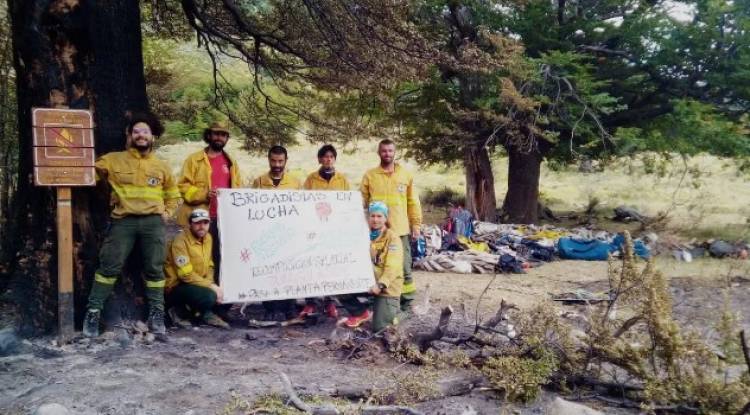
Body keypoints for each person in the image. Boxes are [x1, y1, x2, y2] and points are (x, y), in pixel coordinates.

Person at [83, 112, 181, 338]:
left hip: (153, 223)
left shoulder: (161, 166)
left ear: (152, 136)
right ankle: (93, 312)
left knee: (155, 269)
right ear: (129, 135)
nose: (141, 135)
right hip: (123, 222)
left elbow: (174, 196)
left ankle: (157, 315)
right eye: (136, 131)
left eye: (145, 131)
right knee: (108, 267)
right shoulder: (112, 159)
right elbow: (87, 174)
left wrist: (166, 214)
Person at [176, 121, 243, 282]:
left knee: (220, 259)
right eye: (216, 133)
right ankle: (199, 297)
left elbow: (238, 189)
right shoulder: (194, 160)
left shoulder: (231, 162)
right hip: (199, 220)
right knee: (198, 259)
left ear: (227, 138)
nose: (219, 137)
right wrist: (205, 194)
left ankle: (219, 296)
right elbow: (183, 187)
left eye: (223, 134)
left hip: (223, 221)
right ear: (209, 135)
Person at [360, 139, 422, 312]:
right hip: (377, 232)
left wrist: (416, 224)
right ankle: (379, 301)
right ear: (379, 153)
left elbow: (413, 202)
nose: (387, 154)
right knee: (377, 266)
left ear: (395, 152)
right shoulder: (370, 175)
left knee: (404, 267)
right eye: (384, 151)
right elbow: (360, 202)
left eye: (390, 151)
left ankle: (407, 302)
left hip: (400, 229)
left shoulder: (406, 175)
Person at [299, 144, 351, 319]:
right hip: (314, 229)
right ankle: (311, 302)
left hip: (333, 231)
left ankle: (330, 302)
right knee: (312, 263)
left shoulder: (342, 180)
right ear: (320, 159)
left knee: (331, 265)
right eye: (325, 156)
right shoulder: (311, 179)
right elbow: (303, 203)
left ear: (334, 159)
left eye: (331, 157)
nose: (328, 159)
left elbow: (346, 205)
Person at [250, 145, 301, 320]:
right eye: (273, 160)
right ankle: (270, 308)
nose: (277, 164)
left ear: (286, 161)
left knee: (290, 270)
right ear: (268, 160)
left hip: (288, 234)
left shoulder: (295, 182)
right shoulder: (259, 182)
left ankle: (289, 307)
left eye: (280, 161)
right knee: (268, 271)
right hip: (266, 235)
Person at [341, 202, 404, 331]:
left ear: (386, 218)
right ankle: (360, 313)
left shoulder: (393, 238)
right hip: (366, 282)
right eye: (372, 216)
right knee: (339, 286)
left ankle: (400, 314)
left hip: (386, 287)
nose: (375, 220)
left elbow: (393, 267)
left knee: (380, 329)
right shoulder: (361, 235)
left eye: (379, 216)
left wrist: (380, 285)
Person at [164, 209, 229, 329]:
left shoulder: (208, 237)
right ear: (190, 224)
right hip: (177, 286)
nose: (202, 227)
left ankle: (203, 312)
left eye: (205, 223)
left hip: (198, 282)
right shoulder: (180, 242)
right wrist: (211, 286)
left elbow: (210, 265)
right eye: (197, 223)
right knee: (209, 296)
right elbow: (185, 275)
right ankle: (177, 310)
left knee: (227, 286)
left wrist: (211, 282)